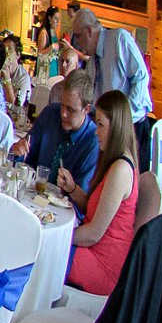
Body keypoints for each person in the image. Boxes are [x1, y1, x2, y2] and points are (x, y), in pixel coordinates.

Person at [62, 91, 139, 295]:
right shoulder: (116, 162)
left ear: (116, 128)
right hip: (94, 251)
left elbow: (94, 234)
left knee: (43, 251)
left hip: (102, 264)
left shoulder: (121, 170)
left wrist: (58, 235)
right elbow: (95, 209)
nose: (96, 132)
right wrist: (72, 188)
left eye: (101, 125)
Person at [16, 69, 99, 219]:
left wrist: (73, 188)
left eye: (71, 109)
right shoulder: (50, 114)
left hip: (63, 213)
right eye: (62, 105)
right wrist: (18, 151)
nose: (63, 114)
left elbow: (85, 206)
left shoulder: (92, 142)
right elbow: (26, 159)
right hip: (33, 199)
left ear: (86, 109)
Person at [69, 9, 152, 154]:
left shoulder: (119, 39)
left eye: (78, 36)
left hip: (131, 127)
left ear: (89, 31)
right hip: (106, 129)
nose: (76, 43)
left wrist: (123, 119)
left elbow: (141, 77)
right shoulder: (92, 61)